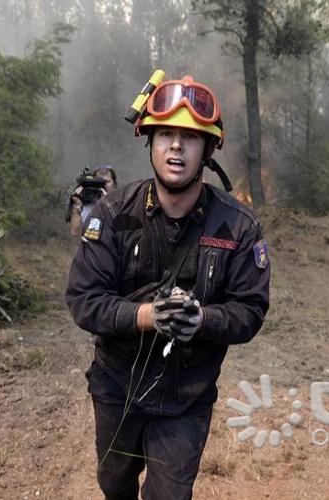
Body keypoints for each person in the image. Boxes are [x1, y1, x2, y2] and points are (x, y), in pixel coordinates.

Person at [65, 75, 270, 500]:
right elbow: (84, 299)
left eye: (189, 138)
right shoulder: (112, 214)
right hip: (117, 386)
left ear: (207, 150)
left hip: (186, 395)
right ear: (150, 143)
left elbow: (250, 309)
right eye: (166, 135)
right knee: (114, 484)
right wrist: (147, 316)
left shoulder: (237, 226)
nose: (176, 146)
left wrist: (202, 320)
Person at [69, 165, 117, 237]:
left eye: (107, 182)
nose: (104, 185)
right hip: (90, 246)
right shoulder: (86, 205)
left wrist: (106, 203)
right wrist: (77, 206)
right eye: (99, 182)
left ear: (115, 184)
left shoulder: (121, 204)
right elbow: (74, 232)